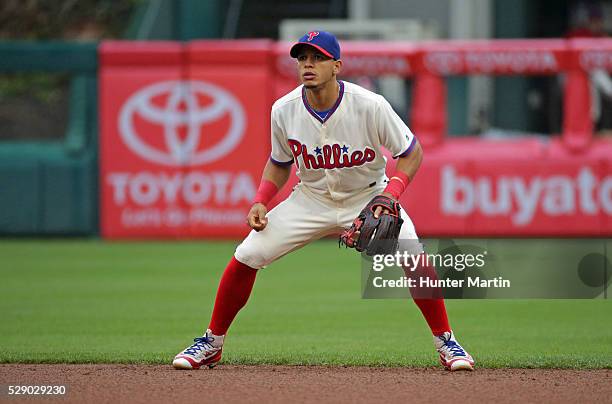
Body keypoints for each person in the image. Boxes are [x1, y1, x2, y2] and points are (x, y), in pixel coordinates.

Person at [172, 31, 475, 371]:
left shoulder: (370, 105)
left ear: (337, 66)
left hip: (368, 198)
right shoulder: (283, 110)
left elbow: (411, 152)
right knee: (247, 255)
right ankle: (211, 342)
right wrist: (261, 200)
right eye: (302, 58)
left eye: (317, 58)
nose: (308, 65)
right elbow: (279, 162)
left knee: (412, 253)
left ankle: (447, 341)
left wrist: (391, 194)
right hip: (310, 199)